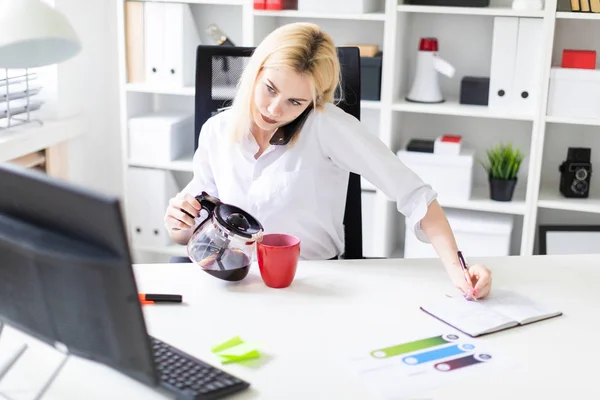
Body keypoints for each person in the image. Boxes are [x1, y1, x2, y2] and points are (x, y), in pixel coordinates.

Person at [163, 22, 492, 299]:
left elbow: (415, 194)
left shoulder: (327, 126)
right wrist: (179, 224)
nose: (275, 109)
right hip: (237, 282)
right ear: (255, 71)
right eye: (270, 89)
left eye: (295, 101)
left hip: (313, 286)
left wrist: (459, 272)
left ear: (313, 100)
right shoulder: (217, 131)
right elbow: (195, 226)